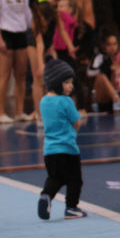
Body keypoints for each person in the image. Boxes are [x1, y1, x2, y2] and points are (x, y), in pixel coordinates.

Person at [37, 57, 87, 220]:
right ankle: (71, 207)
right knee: (75, 180)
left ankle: (46, 195)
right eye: (67, 82)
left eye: (71, 82)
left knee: (55, 178)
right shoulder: (66, 101)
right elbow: (77, 122)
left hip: (49, 150)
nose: (71, 86)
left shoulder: (44, 101)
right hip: (68, 149)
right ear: (56, 83)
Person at [0, 0, 33, 123]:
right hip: (6, 33)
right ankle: (0, 113)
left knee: (21, 75)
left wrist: (34, 30)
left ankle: (20, 112)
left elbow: (27, 15)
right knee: (4, 76)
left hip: (21, 34)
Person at [86, 31, 120, 113]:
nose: (112, 47)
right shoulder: (99, 57)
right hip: (102, 95)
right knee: (101, 76)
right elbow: (89, 72)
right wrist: (109, 68)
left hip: (117, 89)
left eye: (114, 44)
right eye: (109, 44)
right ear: (103, 46)